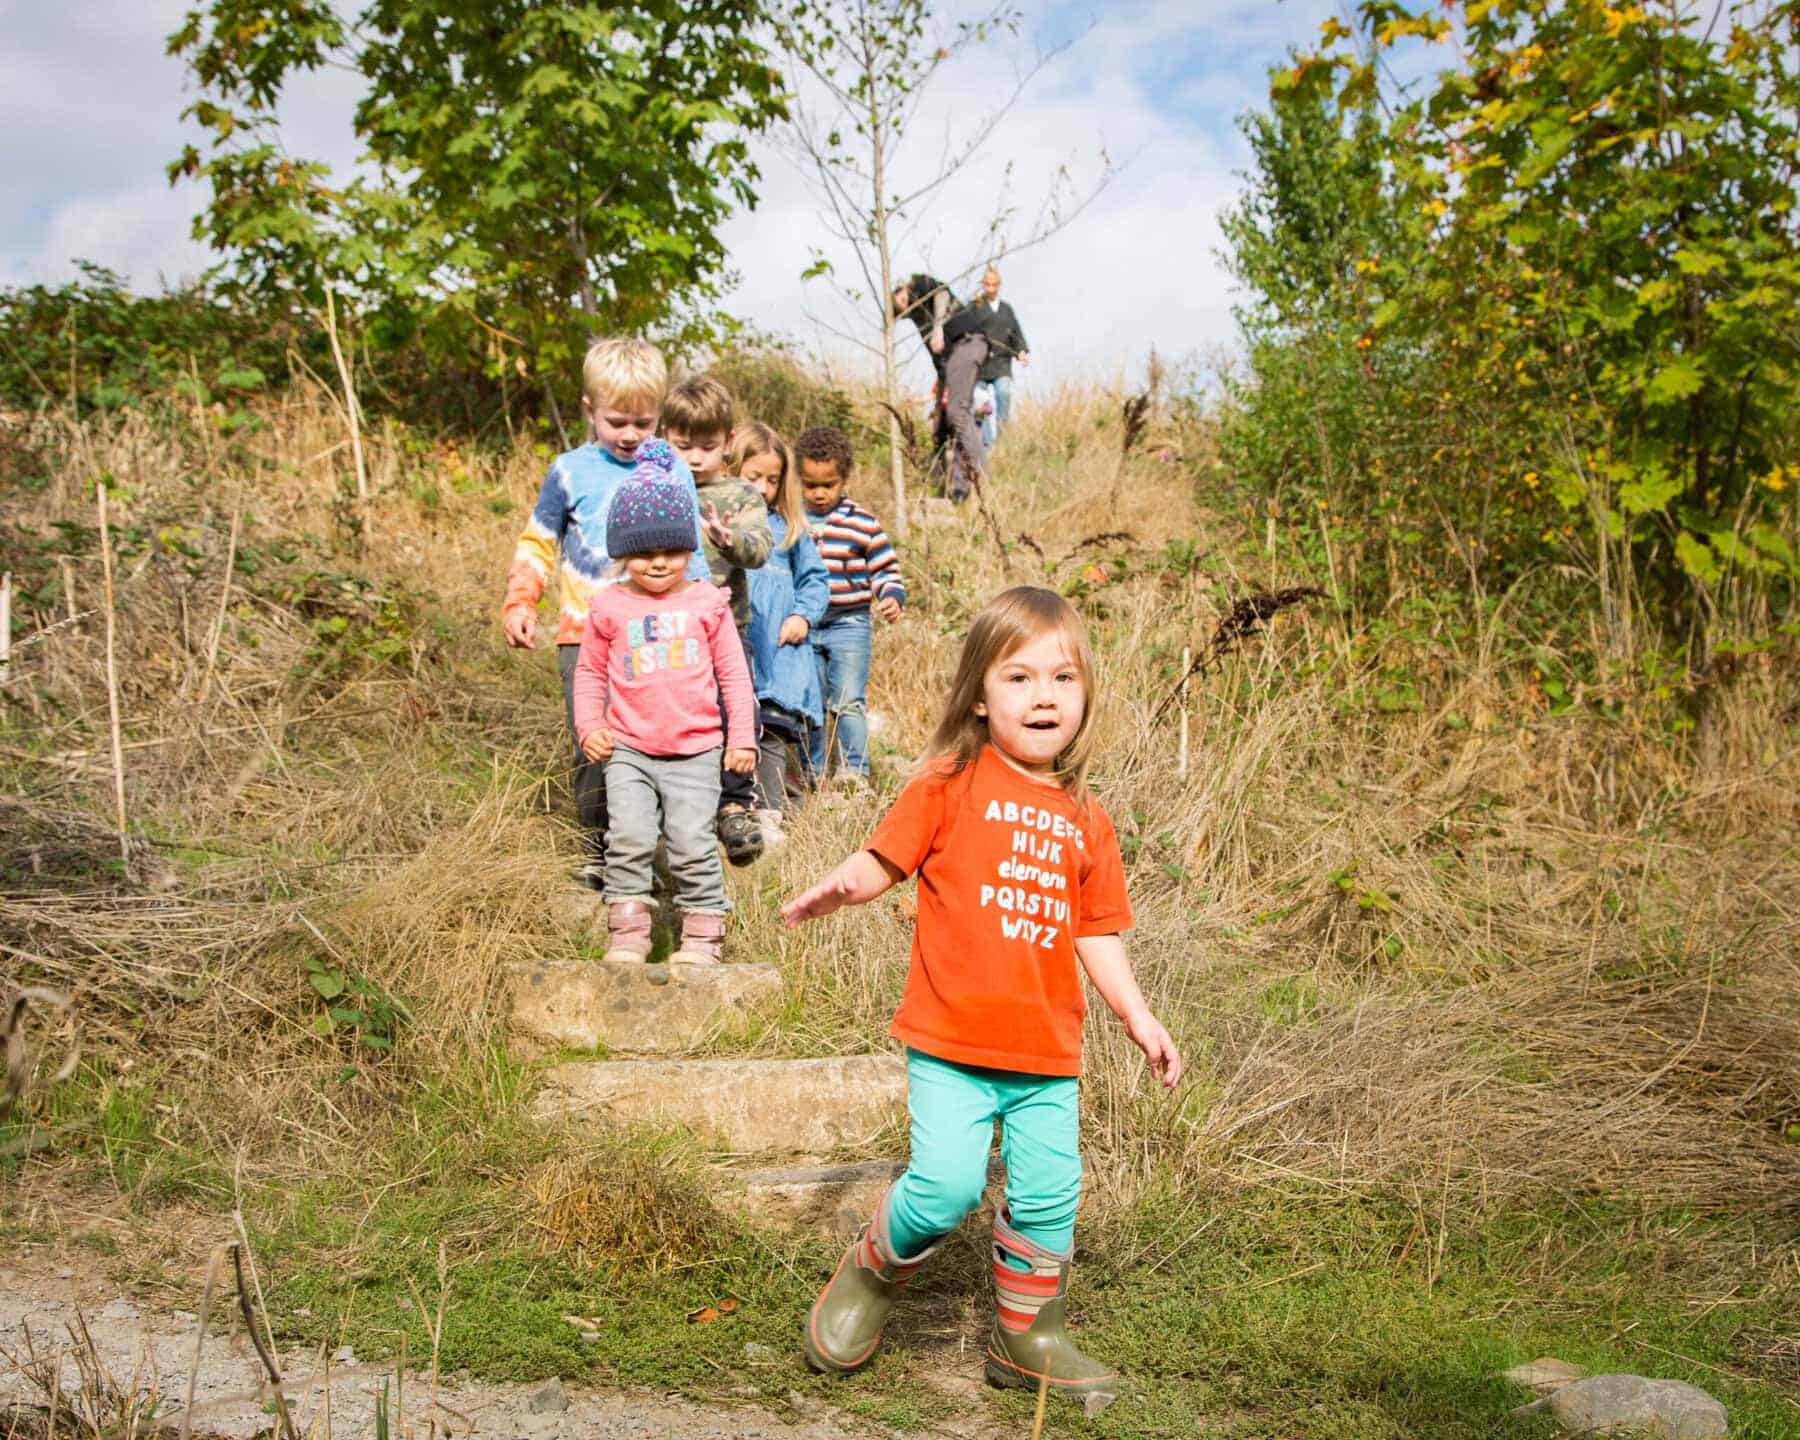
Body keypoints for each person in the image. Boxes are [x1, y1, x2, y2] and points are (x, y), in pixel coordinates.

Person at [782, 586, 1181, 1412]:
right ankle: (872, 1271)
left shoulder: (1085, 820)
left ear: (1085, 696)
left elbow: (1097, 932)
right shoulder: (949, 784)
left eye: (1063, 679)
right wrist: (843, 888)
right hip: (950, 1044)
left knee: (1048, 1197)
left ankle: (1025, 1337)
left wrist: (1139, 1019)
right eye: (1020, 677)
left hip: (1047, 1056)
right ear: (977, 694)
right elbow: (882, 861)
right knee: (946, 1186)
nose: (1044, 696)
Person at [500, 338, 710, 893]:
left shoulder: (674, 473)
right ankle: (598, 849)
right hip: (585, 635)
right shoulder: (569, 472)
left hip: (662, 636)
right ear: (589, 410)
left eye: (644, 422)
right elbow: (540, 540)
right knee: (595, 742)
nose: (631, 435)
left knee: (663, 741)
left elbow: (696, 554)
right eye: (617, 421)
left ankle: (656, 849)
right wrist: (521, 600)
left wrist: (708, 618)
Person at [570, 439, 756, 965]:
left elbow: (732, 675)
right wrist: (589, 726)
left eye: (671, 551)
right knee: (627, 836)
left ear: (687, 549)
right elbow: (588, 673)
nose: (658, 563)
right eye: (644, 552)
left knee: (689, 842)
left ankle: (703, 937)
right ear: (623, 551)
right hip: (628, 747)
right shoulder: (608, 607)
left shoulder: (706, 602)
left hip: (696, 749)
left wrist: (740, 737)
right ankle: (628, 934)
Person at [663, 374, 773, 867]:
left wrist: (729, 541)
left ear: (728, 442)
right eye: (682, 445)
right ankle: (671, 805)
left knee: (736, 713)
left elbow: (760, 550)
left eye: (706, 447)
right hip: (665, 635)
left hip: (726, 630)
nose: (692, 458)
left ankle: (734, 804)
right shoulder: (657, 485)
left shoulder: (741, 495)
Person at [733, 422, 830, 844]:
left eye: (772, 480)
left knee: (771, 729)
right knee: (732, 726)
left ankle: (770, 814)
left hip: (778, 647)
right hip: (736, 646)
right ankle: (733, 810)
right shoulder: (719, 522)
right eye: (752, 477)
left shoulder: (788, 528)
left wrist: (804, 617)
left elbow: (815, 580)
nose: (763, 488)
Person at [793, 425, 905, 786]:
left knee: (848, 701)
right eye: (811, 485)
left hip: (849, 624)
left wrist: (890, 596)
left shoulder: (862, 523)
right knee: (808, 701)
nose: (820, 493)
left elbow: (885, 569)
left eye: (829, 484)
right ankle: (811, 774)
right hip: (804, 624)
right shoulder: (792, 521)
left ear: (844, 479)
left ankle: (853, 772)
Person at [891, 272, 988, 501]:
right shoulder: (918, 319)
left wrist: (938, 327)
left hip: (967, 342)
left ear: (901, 291)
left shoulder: (918, 283)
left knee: (958, 412)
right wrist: (937, 402)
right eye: (901, 309)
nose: (906, 305)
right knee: (945, 423)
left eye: (903, 301)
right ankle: (957, 489)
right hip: (953, 360)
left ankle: (983, 476)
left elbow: (941, 294)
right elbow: (939, 362)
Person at [971, 266, 1029, 450]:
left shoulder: (1006, 309)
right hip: (980, 365)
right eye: (987, 285)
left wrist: (1021, 352)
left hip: (1002, 363)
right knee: (982, 405)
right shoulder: (975, 307)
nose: (990, 289)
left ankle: (1003, 442)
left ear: (999, 285)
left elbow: (1016, 333)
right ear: (983, 285)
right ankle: (986, 445)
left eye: (994, 285)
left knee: (1003, 394)